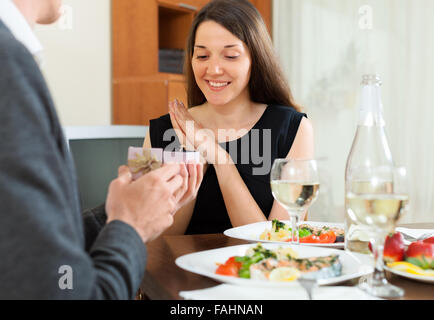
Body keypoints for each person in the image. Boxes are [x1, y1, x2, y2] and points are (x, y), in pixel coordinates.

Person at [0, 0, 202, 299]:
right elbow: (66, 290)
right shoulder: (9, 64)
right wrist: (130, 226)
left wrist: (119, 217)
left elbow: (34, 254)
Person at [144, 0, 314, 235]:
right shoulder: (158, 130)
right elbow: (149, 241)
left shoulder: (296, 128)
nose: (213, 69)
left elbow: (278, 244)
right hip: (181, 272)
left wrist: (220, 159)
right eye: (202, 56)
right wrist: (194, 161)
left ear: (255, 59)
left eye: (230, 56)